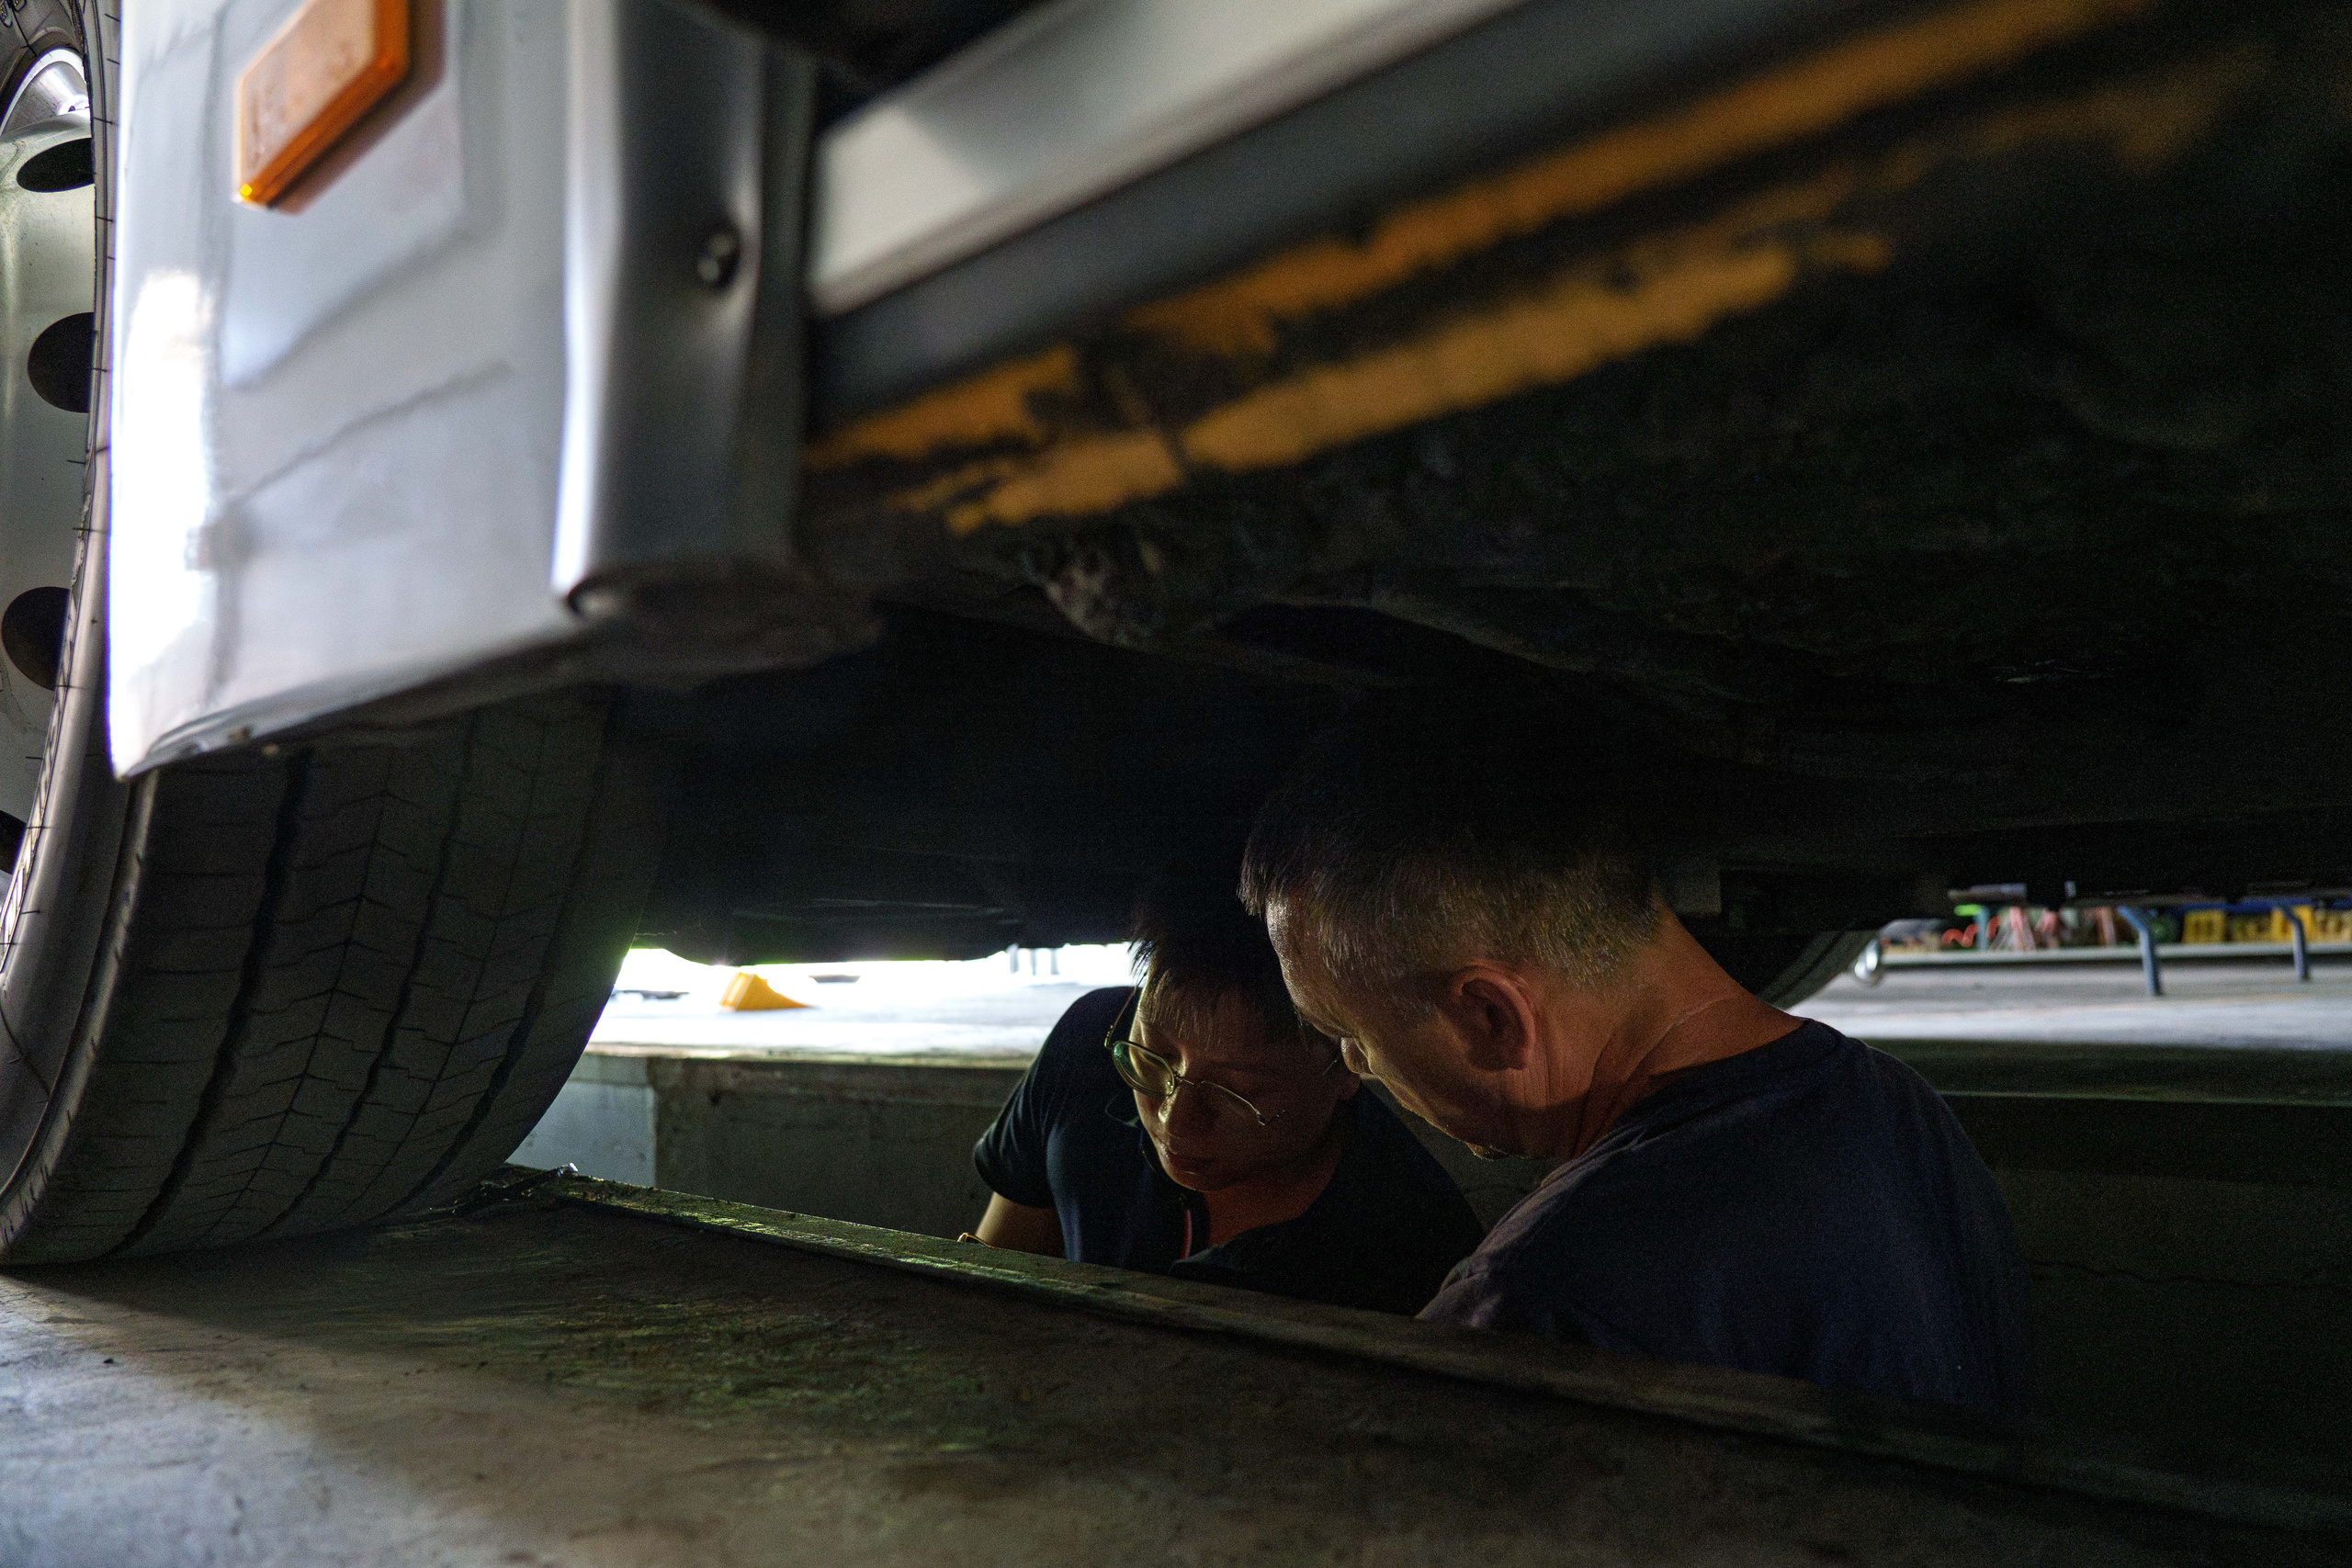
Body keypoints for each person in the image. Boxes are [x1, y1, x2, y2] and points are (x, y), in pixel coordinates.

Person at [1238, 701, 2032, 1414]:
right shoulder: (1903, 1110)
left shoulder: (1541, 1306)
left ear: (1491, 1016)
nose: (1356, 1064)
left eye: (1350, 1033)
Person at [968, 869, 1485, 1315]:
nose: (1176, 1122)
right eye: (1154, 1057)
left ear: (1350, 1061)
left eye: (1239, 1091)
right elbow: (994, 1281)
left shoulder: (1408, 1246)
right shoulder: (1090, 1045)